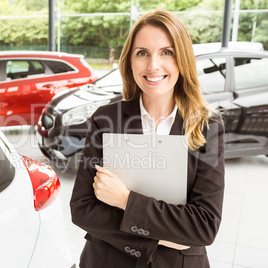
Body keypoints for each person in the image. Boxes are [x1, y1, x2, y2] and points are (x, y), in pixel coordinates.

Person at [70, 9, 225, 268]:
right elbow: (82, 209)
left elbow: (204, 226)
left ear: (183, 59)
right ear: (130, 61)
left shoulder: (207, 126)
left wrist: (124, 200)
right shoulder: (106, 119)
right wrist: (161, 237)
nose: (153, 65)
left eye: (167, 52)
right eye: (142, 53)